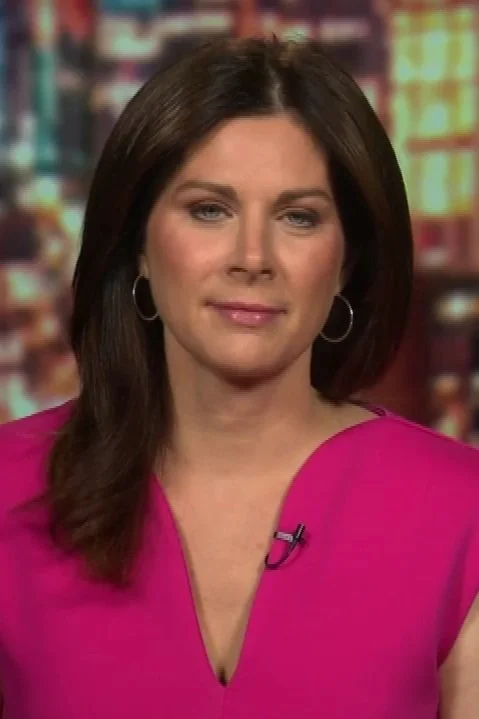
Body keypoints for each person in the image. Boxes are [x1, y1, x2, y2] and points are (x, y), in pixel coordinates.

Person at [0, 36, 478, 719]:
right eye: (209, 209)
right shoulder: (9, 488)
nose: (252, 257)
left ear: (345, 262)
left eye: (298, 217)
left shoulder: (460, 510)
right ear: (138, 245)